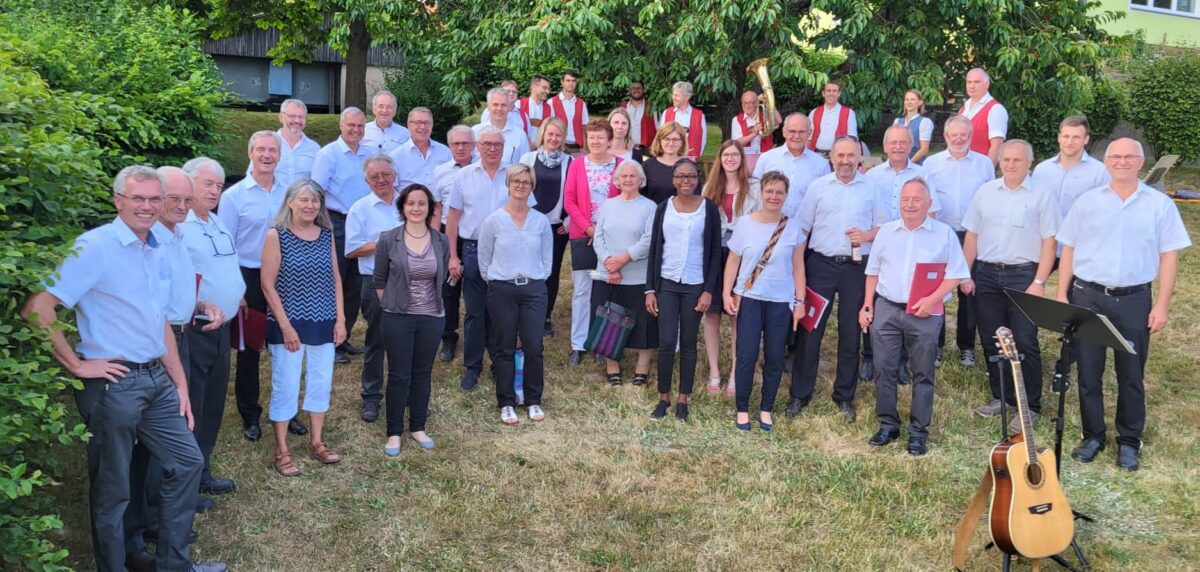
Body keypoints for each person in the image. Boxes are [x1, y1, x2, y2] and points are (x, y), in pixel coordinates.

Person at [21, 166, 224, 572]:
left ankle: (173, 566)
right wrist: (77, 365)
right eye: (137, 198)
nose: (147, 206)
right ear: (118, 201)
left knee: (187, 462)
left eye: (154, 198)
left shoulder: (155, 248)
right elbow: (37, 309)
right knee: (113, 491)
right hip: (114, 384)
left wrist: (180, 383)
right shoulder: (95, 247)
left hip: (156, 377)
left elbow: (159, 320)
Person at [1057, 137, 1191, 471]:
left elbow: (1169, 256)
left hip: (1134, 299)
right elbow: (1069, 247)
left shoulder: (1159, 205)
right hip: (1088, 296)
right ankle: (1093, 436)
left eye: (1129, 156)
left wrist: (1162, 305)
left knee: (1131, 374)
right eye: (1115, 156)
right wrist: (1061, 294)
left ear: (1141, 161)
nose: (1122, 161)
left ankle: (1129, 441)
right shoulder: (1087, 202)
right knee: (1088, 372)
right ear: (1106, 162)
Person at [859, 178, 970, 456]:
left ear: (929, 204)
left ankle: (918, 432)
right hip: (887, 308)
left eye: (917, 199)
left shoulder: (944, 234)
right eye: (905, 199)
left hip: (925, 312)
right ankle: (888, 425)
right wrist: (867, 304)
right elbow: (873, 271)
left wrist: (932, 300)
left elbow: (956, 274)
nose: (910, 204)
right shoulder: (886, 232)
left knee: (922, 372)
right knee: (883, 369)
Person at [961, 140, 1059, 433]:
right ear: (999, 162)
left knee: (1024, 340)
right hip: (987, 274)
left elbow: (1050, 242)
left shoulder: (1043, 195)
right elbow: (972, 235)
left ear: (1029, 163)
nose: (1011, 164)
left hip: (1023, 276)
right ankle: (1002, 396)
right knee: (993, 338)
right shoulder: (985, 192)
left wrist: (1039, 281)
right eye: (1006, 160)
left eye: (1017, 160)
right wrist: (965, 274)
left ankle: (1030, 405)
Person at [788, 137, 886, 422]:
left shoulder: (871, 188)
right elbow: (802, 229)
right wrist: (797, 267)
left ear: (859, 158)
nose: (845, 161)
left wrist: (866, 235)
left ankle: (844, 395)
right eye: (840, 155)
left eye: (851, 155)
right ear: (831, 157)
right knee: (810, 330)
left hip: (856, 268)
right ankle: (800, 393)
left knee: (851, 332)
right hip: (820, 265)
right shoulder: (818, 187)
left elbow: (884, 227)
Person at [218, 131, 307, 440]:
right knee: (251, 349)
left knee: (288, 345)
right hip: (250, 277)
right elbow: (226, 246)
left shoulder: (289, 192)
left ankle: (287, 410)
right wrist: (237, 289)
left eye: (273, 150)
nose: (267, 155)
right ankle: (250, 414)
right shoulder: (234, 196)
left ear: (279, 156)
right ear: (250, 153)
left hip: (285, 277)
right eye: (261, 150)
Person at [260, 180, 347, 477]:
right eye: (304, 200)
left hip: (324, 321)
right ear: (290, 202)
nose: (310, 205)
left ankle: (317, 441)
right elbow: (267, 285)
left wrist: (341, 319)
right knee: (286, 384)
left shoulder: (326, 235)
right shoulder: (276, 235)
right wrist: (285, 326)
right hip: (289, 323)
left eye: (315, 201)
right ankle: (282, 450)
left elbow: (335, 278)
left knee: (321, 381)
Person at [447, 126, 532, 390]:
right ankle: (473, 367)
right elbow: (453, 218)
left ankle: (500, 363)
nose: (492, 149)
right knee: (475, 311)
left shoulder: (515, 175)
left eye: (497, 144)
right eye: (487, 144)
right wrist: (453, 256)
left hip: (508, 250)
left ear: (504, 147)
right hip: (473, 249)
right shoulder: (464, 176)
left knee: (503, 312)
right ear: (478, 147)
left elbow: (528, 213)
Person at [179, 157, 244, 498]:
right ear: (187, 183)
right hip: (194, 329)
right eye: (208, 184)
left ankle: (202, 471)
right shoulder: (179, 226)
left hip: (222, 327)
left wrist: (237, 294)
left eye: (219, 185)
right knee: (192, 404)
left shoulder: (216, 222)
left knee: (213, 403)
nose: (215, 191)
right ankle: (183, 485)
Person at [723, 171, 806, 432]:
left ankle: (766, 408)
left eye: (779, 192)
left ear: (786, 195)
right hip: (749, 298)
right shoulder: (745, 224)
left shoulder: (793, 228)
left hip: (780, 301)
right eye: (769, 191)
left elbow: (798, 267)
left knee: (774, 357)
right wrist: (726, 293)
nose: (774, 196)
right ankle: (742, 408)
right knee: (746, 355)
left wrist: (800, 301)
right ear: (761, 193)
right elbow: (733, 261)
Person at [373, 184, 449, 455]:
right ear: (402, 207)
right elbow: (379, 280)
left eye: (422, 203)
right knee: (398, 374)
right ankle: (394, 432)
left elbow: (441, 276)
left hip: (431, 317)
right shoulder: (388, 239)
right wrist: (393, 306)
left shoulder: (441, 240)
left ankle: (418, 426)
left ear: (430, 208)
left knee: (423, 372)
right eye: (410, 203)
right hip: (398, 318)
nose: (416, 208)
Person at [644, 159, 723, 420]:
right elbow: (655, 249)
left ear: (698, 179)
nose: (686, 180)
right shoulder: (663, 208)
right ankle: (663, 397)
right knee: (667, 341)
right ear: (673, 179)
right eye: (681, 176)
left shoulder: (708, 209)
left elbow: (715, 251)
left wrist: (708, 289)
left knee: (688, 343)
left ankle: (683, 399)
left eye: (691, 176)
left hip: (695, 284)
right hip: (667, 282)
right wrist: (650, 289)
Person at [479, 164, 554, 424]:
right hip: (502, 289)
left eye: (526, 182)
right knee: (504, 346)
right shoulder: (493, 221)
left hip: (533, 289)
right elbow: (484, 260)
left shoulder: (541, 221)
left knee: (533, 345)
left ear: (531, 186)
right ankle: (506, 401)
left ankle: (533, 399)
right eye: (516, 181)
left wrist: (535, 279)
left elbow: (547, 259)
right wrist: (499, 280)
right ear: (508, 184)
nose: (521, 186)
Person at [922, 115, 995, 367]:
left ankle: (966, 346)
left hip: (972, 235)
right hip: (940, 234)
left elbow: (989, 199)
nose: (958, 138)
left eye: (963, 134)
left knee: (969, 290)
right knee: (937, 290)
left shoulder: (984, 164)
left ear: (971, 135)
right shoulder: (931, 164)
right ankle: (937, 344)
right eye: (954, 134)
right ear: (945, 136)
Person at [312, 107, 373, 363]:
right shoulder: (328, 154)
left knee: (354, 285)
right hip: (337, 222)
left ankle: (342, 337)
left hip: (362, 224)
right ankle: (329, 342)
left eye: (360, 126)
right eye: (351, 125)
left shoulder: (369, 153)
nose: (356, 130)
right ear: (341, 125)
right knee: (335, 281)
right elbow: (317, 192)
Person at [700, 141, 761, 396]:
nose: (730, 159)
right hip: (716, 254)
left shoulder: (754, 187)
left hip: (744, 256)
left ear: (742, 158)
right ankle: (714, 371)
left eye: (735, 154)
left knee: (737, 315)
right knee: (712, 315)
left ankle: (735, 374)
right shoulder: (710, 186)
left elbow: (760, 220)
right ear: (720, 158)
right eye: (726, 155)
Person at [346, 155, 403, 423]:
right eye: (374, 177)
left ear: (395, 175)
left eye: (386, 174)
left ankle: (405, 394)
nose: (381, 180)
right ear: (366, 181)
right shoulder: (359, 209)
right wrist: (385, 243)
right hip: (376, 281)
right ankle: (371, 396)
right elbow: (351, 250)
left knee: (407, 341)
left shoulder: (408, 202)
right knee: (377, 340)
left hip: (410, 281)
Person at [592, 160, 658, 385]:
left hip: (638, 274)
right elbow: (598, 237)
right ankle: (612, 368)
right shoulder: (608, 205)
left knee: (645, 323)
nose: (628, 179)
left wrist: (623, 259)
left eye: (633, 176)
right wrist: (609, 263)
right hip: (609, 274)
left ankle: (642, 369)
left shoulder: (649, 207)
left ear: (641, 180)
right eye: (624, 176)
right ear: (617, 180)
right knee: (609, 322)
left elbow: (649, 239)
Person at [562, 119, 622, 366]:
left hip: (612, 238)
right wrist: (589, 229)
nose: (596, 141)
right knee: (582, 290)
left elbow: (625, 200)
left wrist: (603, 233)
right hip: (583, 235)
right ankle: (578, 344)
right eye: (592, 137)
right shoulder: (577, 165)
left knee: (607, 289)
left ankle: (602, 342)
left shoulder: (621, 165)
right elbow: (569, 200)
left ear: (610, 140)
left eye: (600, 137)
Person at [518, 117, 572, 337]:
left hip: (557, 226)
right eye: (550, 134)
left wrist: (568, 220)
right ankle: (525, 313)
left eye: (558, 135)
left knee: (551, 271)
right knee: (527, 268)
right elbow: (519, 189)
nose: (553, 138)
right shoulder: (528, 158)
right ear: (542, 134)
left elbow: (573, 193)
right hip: (529, 224)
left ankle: (545, 317)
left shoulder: (570, 162)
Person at [433, 125, 475, 362]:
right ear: (449, 146)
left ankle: (478, 334)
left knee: (476, 288)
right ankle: (448, 337)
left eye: (465, 143)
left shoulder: (483, 169)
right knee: (448, 289)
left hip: (475, 236)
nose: (460, 147)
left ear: (473, 145)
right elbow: (437, 208)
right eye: (456, 143)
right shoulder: (440, 172)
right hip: (448, 235)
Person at [1032, 115, 1111, 224]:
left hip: (1082, 234)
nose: (1070, 142)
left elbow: (1105, 211)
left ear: (1086, 139)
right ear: (1059, 137)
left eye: (1076, 137)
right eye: (1066, 136)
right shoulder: (1041, 170)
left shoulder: (1101, 172)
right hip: (1045, 233)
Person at [751, 113, 831, 217]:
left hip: (806, 226)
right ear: (784, 132)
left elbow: (825, 199)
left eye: (801, 132)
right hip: (770, 224)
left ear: (809, 133)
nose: (797, 136)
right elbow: (755, 193)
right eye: (792, 131)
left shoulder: (821, 164)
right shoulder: (766, 159)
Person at [866, 125, 941, 222]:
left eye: (903, 142)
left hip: (912, 230)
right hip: (879, 231)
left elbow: (931, 211)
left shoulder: (923, 175)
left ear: (911, 146)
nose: (898, 147)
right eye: (893, 142)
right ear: (885, 146)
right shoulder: (871, 176)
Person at [390, 107, 451, 206]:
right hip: (411, 211)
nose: (423, 127)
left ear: (432, 125)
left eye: (427, 123)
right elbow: (392, 190)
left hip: (441, 210)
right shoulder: (395, 157)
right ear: (409, 125)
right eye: (418, 122)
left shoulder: (445, 153)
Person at [959, 68, 1008, 162]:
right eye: (969, 82)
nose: (972, 86)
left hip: (980, 166)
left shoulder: (995, 109)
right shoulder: (963, 108)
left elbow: (997, 146)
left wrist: (988, 170)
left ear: (987, 84)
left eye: (977, 82)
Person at [474, 87, 531, 166]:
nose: (499, 108)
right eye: (495, 104)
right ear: (488, 106)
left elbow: (525, 166)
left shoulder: (520, 135)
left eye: (503, 105)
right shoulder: (475, 132)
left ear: (509, 108)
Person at [273, 98, 321, 187]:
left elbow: (318, 183)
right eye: (292, 116)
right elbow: (254, 175)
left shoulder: (314, 149)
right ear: (281, 117)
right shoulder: (268, 144)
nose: (297, 121)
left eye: (301, 117)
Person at [643, 122, 689, 204]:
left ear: (682, 142)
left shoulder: (689, 168)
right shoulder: (647, 166)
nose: (671, 143)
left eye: (675, 139)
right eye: (667, 139)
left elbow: (695, 197)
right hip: (653, 211)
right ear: (660, 141)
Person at [808, 81, 858, 154]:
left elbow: (852, 138)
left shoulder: (849, 113)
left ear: (839, 94)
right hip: (816, 154)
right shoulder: (814, 112)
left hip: (839, 155)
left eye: (834, 91)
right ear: (823, 93)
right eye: (828, 91)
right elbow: (808, 137)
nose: (831, 93)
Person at [659, 81, 706, 159]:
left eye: (677, 95)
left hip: (689, 158)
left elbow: (703, 140)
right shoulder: (667, 112)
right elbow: (661, 136)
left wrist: (695, 157)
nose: (673, 98)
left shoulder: (699, 115)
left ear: (687, 97)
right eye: (673, 94)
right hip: (669, 157)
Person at [731, 90, 781, 156]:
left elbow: (779, 121)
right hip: (746, 157)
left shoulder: (765, 116)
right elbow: (737, 143)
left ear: (756, 104)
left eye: (750, 103)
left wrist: (769, 103)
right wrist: (754, 134)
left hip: (766, 156)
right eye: (744, 103)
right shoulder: (736, 119)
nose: (747, 105)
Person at [362, 90, 411, 154]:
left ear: (394, 110)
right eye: (381, 106)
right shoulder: (362, 130)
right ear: (374, 109)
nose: (384, 110)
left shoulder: (405, 134)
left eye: (389, 107)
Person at [551, 69, 589, 149]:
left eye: (573, 81)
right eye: (568, 81)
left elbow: (584, 127)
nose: (571, 83)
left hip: (577, 147)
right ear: (562, 82)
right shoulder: (551, 102)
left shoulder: (581, 103)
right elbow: (548, 127)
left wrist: (584, 147)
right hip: (559, 146)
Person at [892, 90, 933, 164]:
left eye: (912, 99)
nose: (909, 102)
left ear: (920, 102)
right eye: (906, 99)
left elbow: (924, 149)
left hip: (916, 165)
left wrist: (908, 164)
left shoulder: (925, 122)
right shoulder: (897, 122)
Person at [622, 80, 657, 149]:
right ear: (629, 90)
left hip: (646, 148)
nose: (636, 90)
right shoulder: (623, 108)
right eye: (633, 88)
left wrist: (654, 146)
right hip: (625, 147)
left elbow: (659, 129)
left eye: (639, 88)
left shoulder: (652, 107)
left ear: (643, 90)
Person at [518, 74, 553, 143]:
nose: (547, 92)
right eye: (544, 88)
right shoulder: (518, 104)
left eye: (548, 89)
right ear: (534, 87)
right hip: (522, 146)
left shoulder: (549, 107)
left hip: (541, 147)